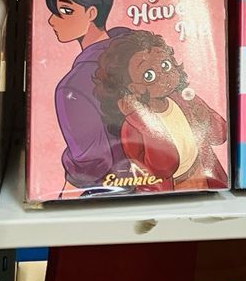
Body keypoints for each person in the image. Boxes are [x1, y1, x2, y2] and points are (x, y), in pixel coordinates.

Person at [92, 29, 228, 192]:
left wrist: (201, 111)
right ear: (132, 88)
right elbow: (162, 169)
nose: (165, 76)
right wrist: (143, 122)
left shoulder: (184, 100)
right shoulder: (132, 126)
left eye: (165, 65)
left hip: (204, 178)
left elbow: (220, 135)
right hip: (168, 190)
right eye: (148, 75)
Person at [44, 0, 133, 195]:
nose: (51, 20)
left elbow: (89, 164)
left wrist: (62, 199)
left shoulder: (74, 86)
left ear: (92, 12)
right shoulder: (136, 48)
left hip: (107, 191)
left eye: (65, 10)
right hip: (157, 182)